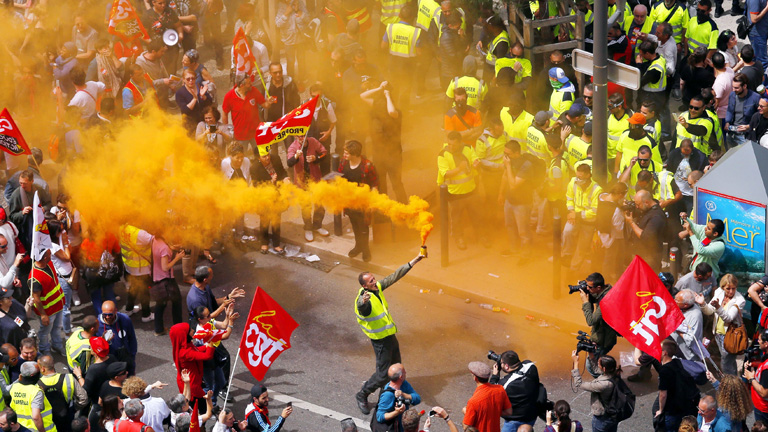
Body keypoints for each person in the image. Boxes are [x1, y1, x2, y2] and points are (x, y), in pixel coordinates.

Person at [354, 252, 425, 414]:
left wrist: (414, 261)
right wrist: (363, 302)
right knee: (382, 375)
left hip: (390, 336)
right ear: (364, 286)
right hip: (380, 341)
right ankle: (362, 395)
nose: (374, 281)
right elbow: (362, 308)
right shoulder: (365, 300)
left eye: (373, 278)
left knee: (397, 368)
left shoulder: (377, 287)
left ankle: (389, 394)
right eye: (370, 281)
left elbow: (394, 276)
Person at [338, 140, 378, 261]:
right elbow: (340, 177)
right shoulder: (344, 163)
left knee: (364, 227)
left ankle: (365, 249)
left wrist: (373, 198)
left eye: (347, 153)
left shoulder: (367, 166)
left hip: (363, 203)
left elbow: (375, 183)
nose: (344, 155)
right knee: (355, 225)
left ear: (355, 154)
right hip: (350, 202)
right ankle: (358, 246)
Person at [287, 135, 329, 241]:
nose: (301, 139)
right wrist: (296, 156)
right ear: (295, 137)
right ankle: (308, 228)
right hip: (301, 183)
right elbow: (289, 163)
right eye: (298, 137)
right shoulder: (293, 147)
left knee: (319, 205)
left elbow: (324, 153)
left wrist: (316, 158)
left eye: (302, 136)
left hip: (315, 179)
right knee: (306, 207)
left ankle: (317, 226)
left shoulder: (313, 141)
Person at [222, 73, 273, 157]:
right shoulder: (229, 96)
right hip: (240, 135)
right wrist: (226, 129)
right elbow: (225, 113)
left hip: (256, 133)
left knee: (262, 155)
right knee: (241, 157)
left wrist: (269, 102)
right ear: (242, 85)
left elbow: (265, 105)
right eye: (249, 83)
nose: (251, 84)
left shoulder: (254, 90)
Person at [563, 164, 601, 273]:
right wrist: (571, 211)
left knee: (582, 247)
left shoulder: (597, 189)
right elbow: (569, 198)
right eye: (578, 177)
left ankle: (573, 269)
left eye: (582, 178)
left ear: (589, 175)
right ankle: (567, 255)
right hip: (575, 216)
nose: (578, 180)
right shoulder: (573, 182)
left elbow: (595, 212)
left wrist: (577, 215)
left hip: (588, 221)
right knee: (567, 232)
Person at [578, 273, 618, 378]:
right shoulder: (606, 291)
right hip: (603, 336)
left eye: (590, 287)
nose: (587, 288)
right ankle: (608, 378)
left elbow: (591, 320)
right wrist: (587, 292)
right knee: (599, 363)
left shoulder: (606, 301)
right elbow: (596, 297)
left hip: (603, 340)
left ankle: (604, 381)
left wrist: (585, 302)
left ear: (598, 287)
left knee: (592, 366)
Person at [169, 323, 214, 417]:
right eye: (190, 330)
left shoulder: (185, 347)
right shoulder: (185, 352)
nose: (193, 330)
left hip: (191, 381)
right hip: (193, 385)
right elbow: (207, 356)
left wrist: (207, 346)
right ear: (184, 335)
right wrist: (211, 343)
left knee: (196, 406)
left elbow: (196, 350)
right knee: (201, 406)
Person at [489, 350, 540, 431]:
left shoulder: (506, 384)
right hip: (531, 414)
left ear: (506, 366)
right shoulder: (531, 366)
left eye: (501, 363)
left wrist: (495, 375)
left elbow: (491, 392)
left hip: (514, 421)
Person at [656, 340, 699, 432]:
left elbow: (663, 394)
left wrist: (660, 410)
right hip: (685, 405)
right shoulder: (678, 363)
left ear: (664, 353)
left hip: (672, 411)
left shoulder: (664, 371)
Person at [570, 353, 621, 432]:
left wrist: (576, 363)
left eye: (599, 363)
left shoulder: (604, 384)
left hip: (603, 418)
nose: (598, 364)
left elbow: (579, 384)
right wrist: (591, 356)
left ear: (604, 369)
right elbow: (596, 370)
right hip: (614, 414)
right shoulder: (615, 373)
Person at [29, 249, 65, 357]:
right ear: (45, 258)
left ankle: (57, 345)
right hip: (48, 311)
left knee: (57, 327)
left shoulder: (49, 263)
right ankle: (44, 349)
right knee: (45, 332)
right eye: (50, 254)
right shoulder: (34, 277)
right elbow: (36, 298)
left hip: (57, 306)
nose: (52, 255)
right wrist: (43, 315)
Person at [37, 354, 87, 428]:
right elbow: (83, 398)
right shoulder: (68, 378)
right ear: (53, 365)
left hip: (48, 421)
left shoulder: (37, 384)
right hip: (67, 417)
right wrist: (74, 408)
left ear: (43, 369)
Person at [463, 361, 512, 432]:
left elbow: (466, 427)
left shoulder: (473, 401)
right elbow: (509, 412)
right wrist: (493, 412)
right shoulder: (500, 389)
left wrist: (466, 412)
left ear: (475, 378)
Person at [624, 190, 666, 271]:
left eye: (638, 204)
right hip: (641, 254)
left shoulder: (656, 216)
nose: (636, 207)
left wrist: (631, 222)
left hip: (650, 257)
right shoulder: (647, 208)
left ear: (646, 202)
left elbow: (645, 237)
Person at [151, 236, 184, 336]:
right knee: (176, 302)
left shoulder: (155, 239)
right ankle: (178, 328)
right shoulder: (164, 248)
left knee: (161, 304)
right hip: (166, 279)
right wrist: (177, 258)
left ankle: (159, 329)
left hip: (157, 277)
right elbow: (165, 267)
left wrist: (174, 248)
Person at [10, 362, 56, 432]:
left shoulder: (14, 387)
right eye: (39, 371)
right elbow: (35, 417)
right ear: (32, 375)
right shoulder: (36, 391)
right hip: (39, 429)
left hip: (21, 428)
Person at [95, 301, 137, 376]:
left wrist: (132, 356)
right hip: (107, 359)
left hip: (124, 358)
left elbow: (132, 338)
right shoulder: (97, 324)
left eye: (110, 314)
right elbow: (93, 345)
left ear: (116, 311)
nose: (107, 317)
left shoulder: (125, 319)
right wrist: (102, 340)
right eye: (105, 314)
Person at [375, 364, 420, 432]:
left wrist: (404, 394)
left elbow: (417, 399)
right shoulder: (388, 395)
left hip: (403, 427)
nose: (406, 372)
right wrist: (397, 412)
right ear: (401, 377)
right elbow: (380, 417)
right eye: (404, 371)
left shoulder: (404, 384)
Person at [679, 213, 726, 279]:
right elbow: (692, 226)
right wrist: (684, 218)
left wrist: (690, 233)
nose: (705, 228)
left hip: (707, 277)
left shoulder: (720, 246)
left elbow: (701, 250)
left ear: (715, 234)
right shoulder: (705, 231)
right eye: (707, 226)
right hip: (694, 272)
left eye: (708, 228)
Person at [725, 73, 760, 149]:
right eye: (733, 87)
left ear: (744, 86)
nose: (734, 90)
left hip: (746, 136)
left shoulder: (755, 98)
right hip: (732, 133)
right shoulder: (732, 95)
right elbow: (729, 110)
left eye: (736, 88)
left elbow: (760, 117)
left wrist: (749, 126)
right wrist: (727, 122)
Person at [175, 69, 212, 136]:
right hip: (190, 125)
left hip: (203, 121)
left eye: (193, 78)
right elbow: (185, 110)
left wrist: (203, 96)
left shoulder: (199, 86)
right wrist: (195, 99)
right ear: (183, 80)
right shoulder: (180, 93)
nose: (191, 81)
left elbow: (210, 102)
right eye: (188, 79)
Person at [672, 289, 706, 362]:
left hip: (687, 356)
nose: (674, 301)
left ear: (685, 305)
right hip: (674, 349)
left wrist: (677, 329)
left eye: (677, 300)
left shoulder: (695, 316)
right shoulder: (680, 308)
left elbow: (691, 339)